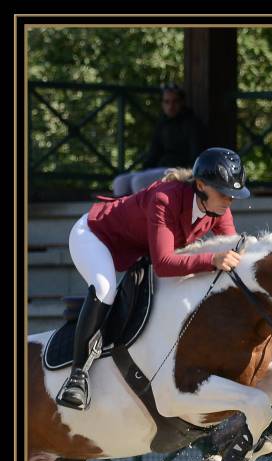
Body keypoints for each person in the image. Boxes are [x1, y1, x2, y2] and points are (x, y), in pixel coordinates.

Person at [56, 147, 250, 411]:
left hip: (136, 248)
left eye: (234, 195)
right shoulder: (164, 199)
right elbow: (165, 264)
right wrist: (212, 260)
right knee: (105, 288)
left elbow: (232, 249)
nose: (230, 200)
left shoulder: (219, 208)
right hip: (95, 236)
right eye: (224, 193)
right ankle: (77, 377)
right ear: (201, 186)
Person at [111, 83, 208, 197]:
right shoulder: (162, 124)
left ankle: (143, 214)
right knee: (119, 182)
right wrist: (145, 169)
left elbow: (195, 158)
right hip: (160, 169)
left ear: (182, 102)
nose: (170, 106)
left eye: (175, 102)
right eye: (166, 102)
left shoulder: (192, 124)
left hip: (180, 171)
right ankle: (121, 213)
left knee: (138, 182)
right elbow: (154, 154)